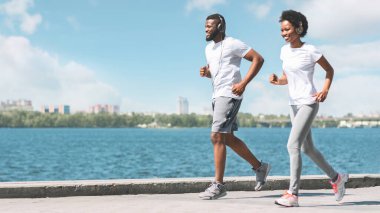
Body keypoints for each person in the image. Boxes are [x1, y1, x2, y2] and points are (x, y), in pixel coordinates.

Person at [269, 10, 348, 207]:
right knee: (308, 148)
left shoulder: (311, 50)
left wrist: (325, 90)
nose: (283, 33)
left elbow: (329, 70)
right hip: (293, 103)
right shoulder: (284, 51)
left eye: (287, 29)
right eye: (281, 30)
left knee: (292, 145)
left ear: (299, 28)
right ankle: (336, 178)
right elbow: (288, 77)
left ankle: (293, 195)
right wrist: (278, 81)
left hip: (308, 102)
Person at [198, 13, 270, 200]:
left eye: (210, 26)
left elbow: (258, 59)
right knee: (227, 138)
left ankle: (218, 185)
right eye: (205, 26)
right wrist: (208, 74)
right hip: (216, 95)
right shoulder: (209, 49)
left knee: (216, 136)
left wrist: (243, 83)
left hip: (230, 95)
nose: (206, 29)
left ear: (220, 26)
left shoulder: (233, 43)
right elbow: (218, 71)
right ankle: (259, 167)